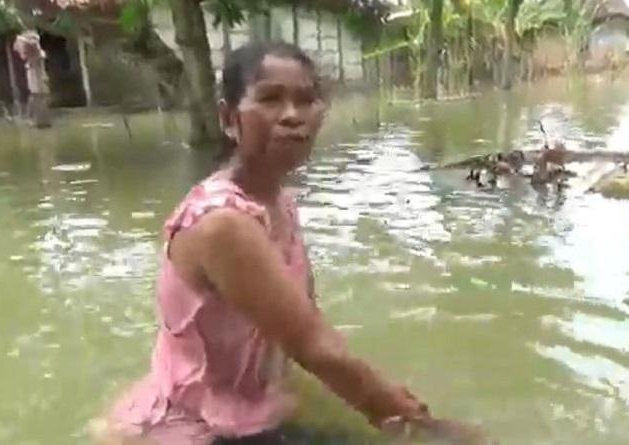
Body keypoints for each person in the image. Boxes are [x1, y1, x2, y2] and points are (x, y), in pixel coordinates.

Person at [97, 42, 492, 445]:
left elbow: (303, 324)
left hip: (252, 401)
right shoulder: (223, 224)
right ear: (228, 118)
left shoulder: (278, 202)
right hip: (195, 426)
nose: (292, 116)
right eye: (269, 99)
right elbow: (315, 347)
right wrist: (423, 424)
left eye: (306, 100)